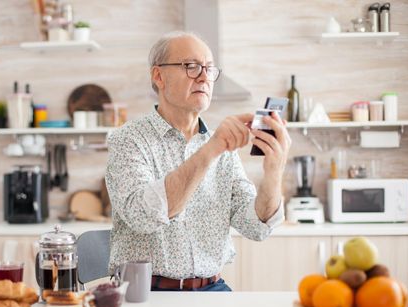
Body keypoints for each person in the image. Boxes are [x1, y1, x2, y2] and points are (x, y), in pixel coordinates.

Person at [105, 31, 291, 291]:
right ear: (158, 76)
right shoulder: (128, 139)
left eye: (209, 69)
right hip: (145, 291)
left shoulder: (221, 147)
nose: (204, 77)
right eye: (191, 67)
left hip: (212, 288)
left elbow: (255, 227)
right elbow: (143, 217)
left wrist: (274, 171)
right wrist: (211, 149)